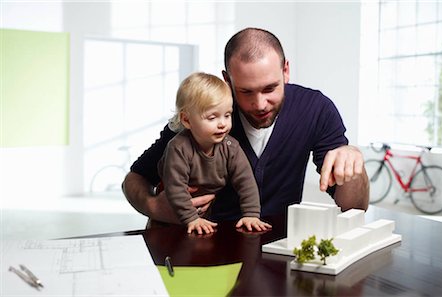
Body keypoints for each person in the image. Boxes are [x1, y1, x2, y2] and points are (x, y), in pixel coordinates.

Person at [122, 27, 369, 226]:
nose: (260, 104)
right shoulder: (201, 111)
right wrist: (154, 207)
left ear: (286, 71)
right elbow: (134, 179)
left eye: (270, 88)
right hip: (205, 243)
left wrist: (354, 162)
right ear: (227, 80)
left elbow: (354, 208)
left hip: (277, 247)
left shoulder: (316, 109)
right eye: (245, 92)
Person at [157, 72, 271, 234]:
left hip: (205, 214)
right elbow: (176, 187)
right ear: (187, 120)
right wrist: (191, 218)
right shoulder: (179, 147)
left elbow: (246, 181)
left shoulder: (231, 147)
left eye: (227, 115)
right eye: (212, 118)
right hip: (170, 216)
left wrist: (251, 214)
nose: (222, 124)